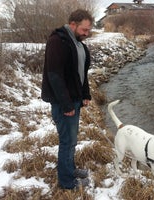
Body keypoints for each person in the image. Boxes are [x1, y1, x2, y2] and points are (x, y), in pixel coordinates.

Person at [41, 9, 93, 190]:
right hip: (64, 103)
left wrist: (85, 94)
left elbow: (81, 74)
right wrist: (66, 104)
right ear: (73, 24)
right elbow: (55, 76)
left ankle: (69, 169)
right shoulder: (57, 41)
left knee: (72, 140)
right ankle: (67, 182)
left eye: (88, 31)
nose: (86, 34)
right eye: (84, 30)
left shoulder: (79, 44)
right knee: (67, 141)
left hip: (75, 101)